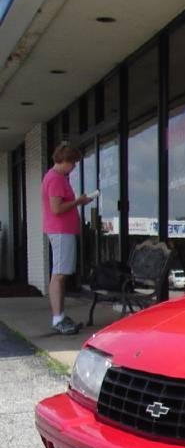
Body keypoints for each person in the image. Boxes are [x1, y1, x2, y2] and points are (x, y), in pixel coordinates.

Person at [42, 142, 94, 334]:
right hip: (61, 231)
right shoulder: (55, 179)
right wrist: (78, 202)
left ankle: (60, 316)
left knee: (61, 274)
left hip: (62, 230)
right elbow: (56, 209)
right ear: (65, 160)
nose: (74, 167)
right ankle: (58, 318)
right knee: (60, 275)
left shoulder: (55, 177)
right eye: (73, 163)